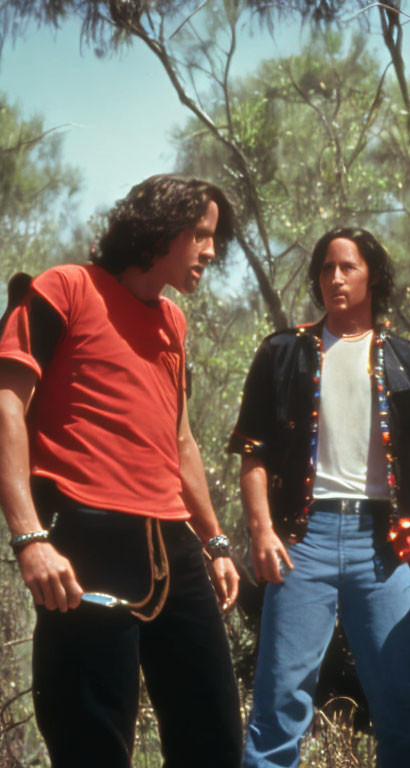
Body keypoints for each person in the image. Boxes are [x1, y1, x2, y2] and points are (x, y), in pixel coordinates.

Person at [0, 174, 243, 768]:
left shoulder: (174, 324)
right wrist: (30, 537)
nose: (211, 252)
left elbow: (181, 440)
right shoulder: (65, 288)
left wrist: (214, 543)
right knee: (92, 742)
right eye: (201, 236)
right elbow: (6, 404)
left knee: (215, 738)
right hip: (85, 538)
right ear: (160, 229)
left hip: (173, 547)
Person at [229, 227, 410, 768]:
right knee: (281, 704)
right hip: (301, 540)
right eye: (326, 268)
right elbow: (252, 453)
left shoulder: (402, 355)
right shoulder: (283, 353)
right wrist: (262, 532)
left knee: (407, 702)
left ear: (371, 275)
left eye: (347, 267)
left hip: (382, 545)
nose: (334, 277)